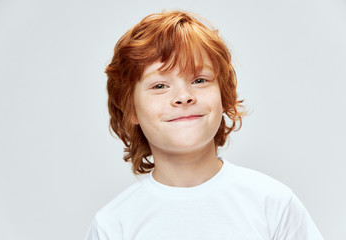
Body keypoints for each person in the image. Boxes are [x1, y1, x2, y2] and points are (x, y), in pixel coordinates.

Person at [85, 10, 324, 240]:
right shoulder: (113, 225)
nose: (183, 96)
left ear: (223, 98)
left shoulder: (273, 205)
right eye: (159, 86)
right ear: (131, 109)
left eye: (199, 80)